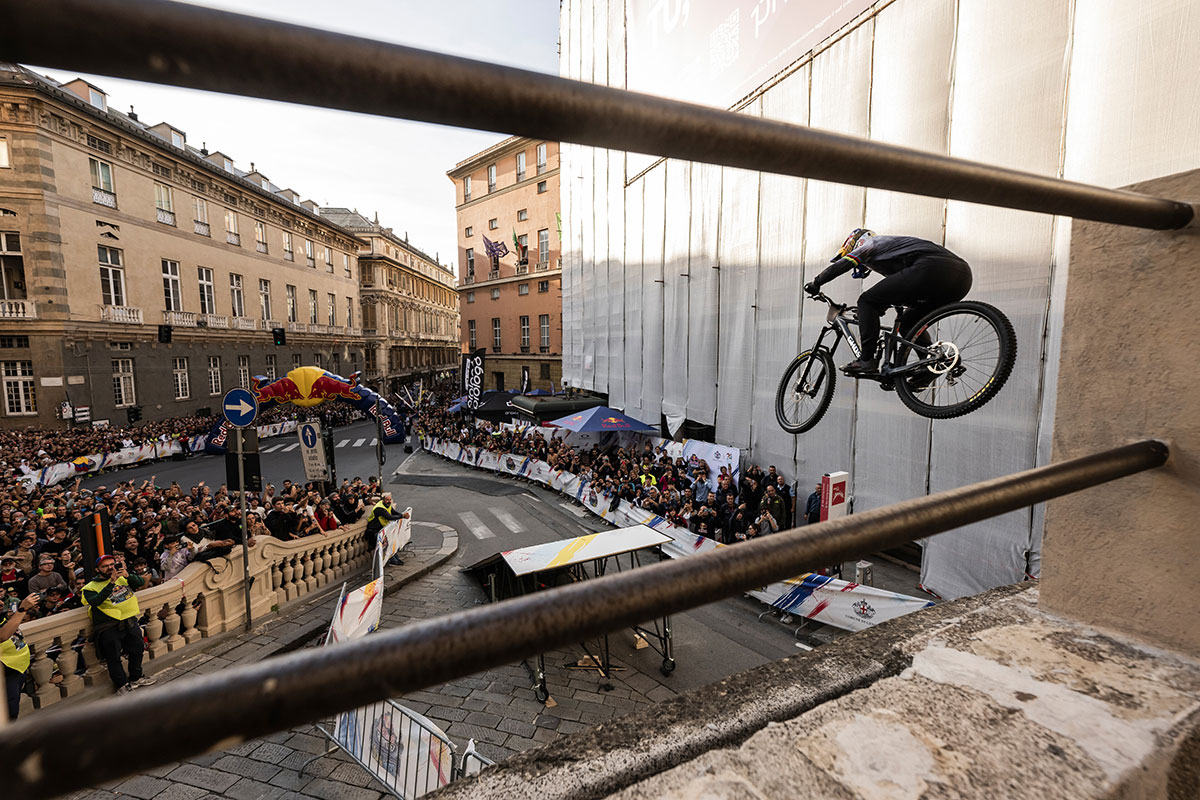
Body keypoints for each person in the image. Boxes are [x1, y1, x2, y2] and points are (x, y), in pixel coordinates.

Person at [804, 229, 972, 381]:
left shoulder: (872, 243)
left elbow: (845, 263)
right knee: (908, 323)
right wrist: (874, 311)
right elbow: (902, 289)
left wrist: (817, 282)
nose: (862, 266)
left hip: (930, 268)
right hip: (962, 278)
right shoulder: (893, 254)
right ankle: (931, 364)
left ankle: (866, 360)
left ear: (856, 243)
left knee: (866, 300)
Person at [83, 554, 155, 694]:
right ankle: (122, 685)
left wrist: (128, 575)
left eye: (112, 565)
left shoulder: (123, 577)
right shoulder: (89, 587)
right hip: (108, 626)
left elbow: (140, 583)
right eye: (105, 566)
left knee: (137, 649)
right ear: (98, 570)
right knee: (113, 657)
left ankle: (136, 677)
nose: (110, 568)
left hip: (129, 620)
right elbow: (95, 601)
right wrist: (111, 583)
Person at [1, 591, 38, 720]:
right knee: (9, 712)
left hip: (17, 667)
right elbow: (2, 635)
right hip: (7, 669)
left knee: (13, 706)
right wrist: (22, 609)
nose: (1, 603)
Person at [365, 493, 407, 560]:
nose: (389, 501)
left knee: (391, 541)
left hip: (381, 529)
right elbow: (389, 517)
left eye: (390, 499)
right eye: (387, 500)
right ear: (383, 500)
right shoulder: (379, 508)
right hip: (374, 531)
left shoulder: (387, 505)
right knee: (387, 544)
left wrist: (403, 515)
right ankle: (392, 560)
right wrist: (402, 516)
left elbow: (394, 512)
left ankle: (395, 559)